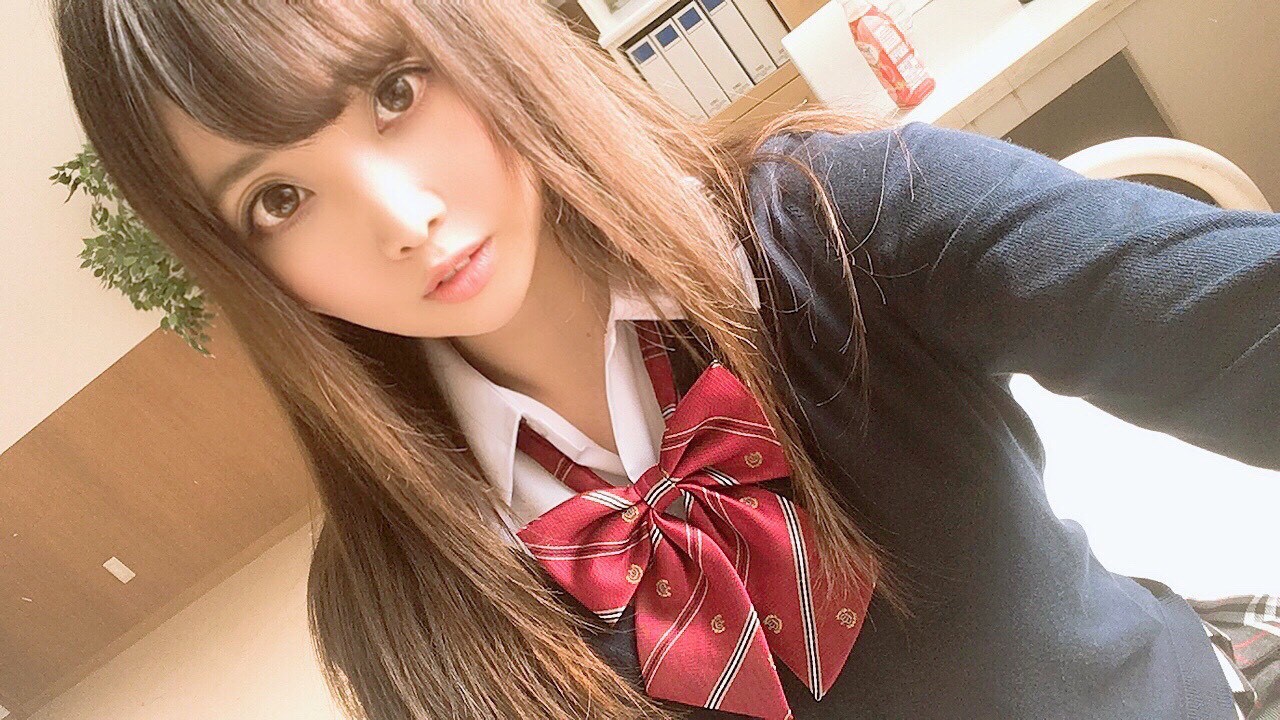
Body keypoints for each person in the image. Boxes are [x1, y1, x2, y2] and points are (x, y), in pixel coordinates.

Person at [52, 1, 1278, 718]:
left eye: (393, 88)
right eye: (276, 198)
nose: (401, 217)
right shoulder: (393, 598)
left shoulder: (853, 221)